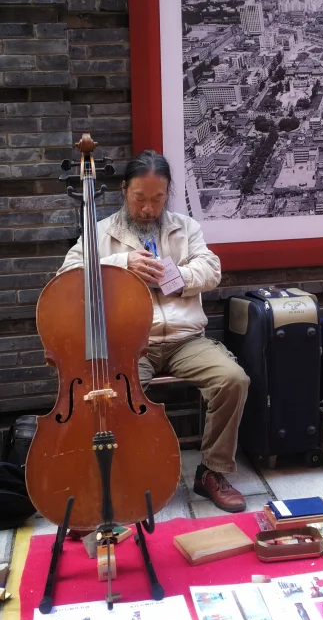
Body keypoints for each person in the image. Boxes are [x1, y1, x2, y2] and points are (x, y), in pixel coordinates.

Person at [58, 150, 250, 513]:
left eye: (157, 199)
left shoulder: (185, 227)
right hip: (131, 345)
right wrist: (119, 264)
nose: (148, 208)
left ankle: (213, 471)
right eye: (140, 198)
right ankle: (130, 476)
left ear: (167, 195)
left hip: (185, 338)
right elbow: (66, 277)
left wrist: (175, 277)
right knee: (117, 397)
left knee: (233, 379)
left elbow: (211, 269)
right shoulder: (100, 232)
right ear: (124, 191)